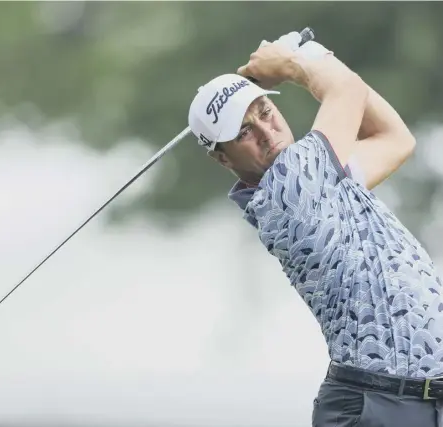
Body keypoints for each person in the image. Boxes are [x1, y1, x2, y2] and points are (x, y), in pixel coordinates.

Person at [188, 32, 443, 426]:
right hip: (376, 404)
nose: (266, 132)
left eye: (264, 112)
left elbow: (394, 138)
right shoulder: (291, 187)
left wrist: (308, 55)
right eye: (243, 133)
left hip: (416, 402)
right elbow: (346, 89)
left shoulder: (322, 181)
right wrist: (294, 62)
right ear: (223, 160)